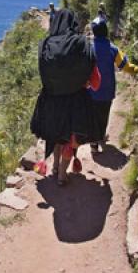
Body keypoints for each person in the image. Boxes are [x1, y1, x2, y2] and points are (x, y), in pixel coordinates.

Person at [31, 9, 102, 186]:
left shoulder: (45, 44)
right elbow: (96, 81)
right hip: (76, 101)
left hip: (51, 100)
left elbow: (43, 73)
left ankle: (54, 168)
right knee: (70, 140)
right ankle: (62, 175)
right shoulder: (82, 44)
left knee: (56, 136)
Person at [89, 16, 138, 153]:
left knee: (92, 116)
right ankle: (100, 136)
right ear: (106, 31)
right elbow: (125, 66)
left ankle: (93, 143)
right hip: (107, 90)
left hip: (91, 90)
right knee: (103, 114)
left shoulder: (88, 48)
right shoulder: (113, 49)